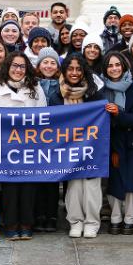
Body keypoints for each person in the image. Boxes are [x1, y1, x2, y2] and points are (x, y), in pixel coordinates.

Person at [0, 52, 47, 240]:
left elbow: (43, 116)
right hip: (6, 145)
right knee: (10, 186)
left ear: (27, 68)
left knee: (28, 185)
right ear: (7, 67)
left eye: (21, 66)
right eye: (14, 65)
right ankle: (11, 224)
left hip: (30, 145)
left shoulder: (36, 87)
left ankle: (27, 224)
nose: (17, 70)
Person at [48, 53, 106, 238]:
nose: (74, 73)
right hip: (68, 148)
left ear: (84, 71)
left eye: (78, 69)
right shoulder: (56, 95)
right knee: (73, 186)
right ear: (64, 71)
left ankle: (91, 222)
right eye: (70, 69)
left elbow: (102, 120)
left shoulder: (95, 93)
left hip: (91, 147)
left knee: (91, 186)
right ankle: (75, 221)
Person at [101, 52, 133, 235]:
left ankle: (130, 218)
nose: (114, 69)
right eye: (110, 66)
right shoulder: (101, 89)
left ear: (124, 66)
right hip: (112, 142)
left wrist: (118, 114)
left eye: (117, 65)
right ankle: (115, 218)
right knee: (115, 181)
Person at [33, 47, 63, 232]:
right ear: (38, 65)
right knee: (36, 179)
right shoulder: (31, 84)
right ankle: (38, 215)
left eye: (53, 62)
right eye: (45, 62)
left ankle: (51, 216)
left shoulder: (63, 84)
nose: (49, 65)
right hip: (35, 139)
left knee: (52, 180)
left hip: (56, 138)